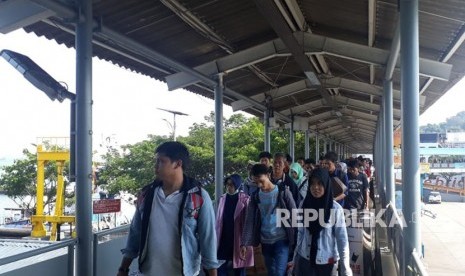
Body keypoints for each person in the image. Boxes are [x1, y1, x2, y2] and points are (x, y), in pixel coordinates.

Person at [117, 141, 219, 276]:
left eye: (161, 161)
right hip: (148, 272)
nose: (155, 167)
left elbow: (208, 239)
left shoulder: (198, 197)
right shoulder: (147, 194)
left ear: (178, 163)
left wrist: (212, 272)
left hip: (184, 272)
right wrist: (123, 269)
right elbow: (135, 232)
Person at [292, 168, 352, 276]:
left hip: (327, 262)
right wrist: (294, 258)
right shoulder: (303, 205)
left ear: (326, 185)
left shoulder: (335, 209)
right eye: (312, 184)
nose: (315, 187)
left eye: (320, 184)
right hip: (305, 260)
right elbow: (300, 233)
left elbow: (342, 239)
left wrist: (345, 267)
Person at [241, 164, 296, 276]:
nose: (259, 185)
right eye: (256, 183)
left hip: (282, 239)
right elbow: (249, 220)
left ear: (268, 175)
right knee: (271, 271)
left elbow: (294, 212)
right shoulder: (255, 196)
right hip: (265, 240)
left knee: (279, 273)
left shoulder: (282, 191)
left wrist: (297, 238)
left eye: (261, 181)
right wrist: (244, 243)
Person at [216, 174, 254, 276]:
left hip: (239, 238)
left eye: (232, 184)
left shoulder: (245, 199)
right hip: (224, 237)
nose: (229, 187)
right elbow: (218, 220)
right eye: (227, 184)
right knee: (220, 266)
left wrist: (245, 243)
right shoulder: (222, 199)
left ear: (237, 185)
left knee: (240, 268)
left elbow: (248, 223)